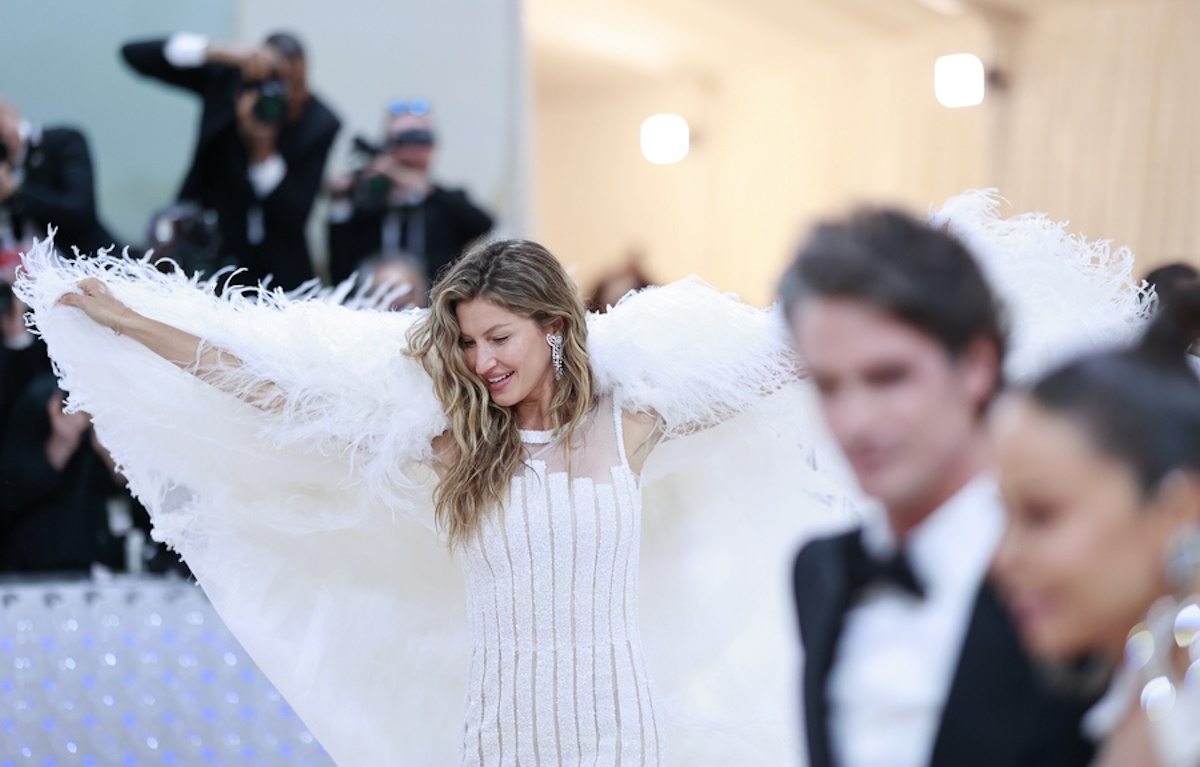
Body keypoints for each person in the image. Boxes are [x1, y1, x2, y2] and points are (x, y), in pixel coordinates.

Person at [20, 234, 825, 765]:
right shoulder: (454, 449)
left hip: (621, 740)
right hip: (500, 742)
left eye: (497, 337)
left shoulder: (632, 426)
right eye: (467, 342)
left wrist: (919, 274)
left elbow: (777, 366)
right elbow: (273, 392)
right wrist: (132, 322)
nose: (480, 361)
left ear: (552, 327)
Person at [779, 209, 1096, 767]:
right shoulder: (820, 572)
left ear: (975, 366)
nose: (854, 420)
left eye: (889, 377)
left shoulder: (1074, 571)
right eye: (829, 386)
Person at [991, 282, 1200, 767]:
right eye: (1003, 516)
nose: (1002, 558)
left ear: (1177, 509)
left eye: (1042, 515)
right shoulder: (1141, 684)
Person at [121, 31, 340, 290]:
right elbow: (133, 55)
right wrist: (216, 51)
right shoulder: (228, 82)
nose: (286, 96)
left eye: (295, 83)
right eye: (277, 80)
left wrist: (263, 151)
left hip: (277, 269)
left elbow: (294, 213)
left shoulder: (320, 123)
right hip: (206, 249)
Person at [327, 100, 494, 286]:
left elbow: (484, 224)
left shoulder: (446, 202)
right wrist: (341, 201)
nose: (413, 151)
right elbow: (340, 270)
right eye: (403, 141)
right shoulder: (369, 204)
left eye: (422, 140)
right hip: (372, 309)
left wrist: (425, 187)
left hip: (435, 307)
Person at [0, 97, 116, 256]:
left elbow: (79, 212)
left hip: (83, 265)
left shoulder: (61, 143)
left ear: (12, 113)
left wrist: (16, 192)